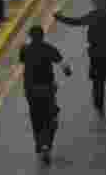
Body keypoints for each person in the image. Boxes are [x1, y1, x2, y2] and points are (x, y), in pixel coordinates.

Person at [54, 0, 106, 128]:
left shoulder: (93, 16)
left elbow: (76, 22)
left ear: (95, 3)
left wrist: (59, 17)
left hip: (96, 55)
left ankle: (100, 111)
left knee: (97, 83)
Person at [20, 25, 70, 165]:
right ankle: (47, 144)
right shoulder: (48, 48)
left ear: (30, 36)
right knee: (51, 117)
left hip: (30, 90)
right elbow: (62, 63)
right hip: (47, 89)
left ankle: (39, 143)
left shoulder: (25, 49)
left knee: (36, 117)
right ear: (43, 36)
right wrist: (67, 71)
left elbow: (22, 59)